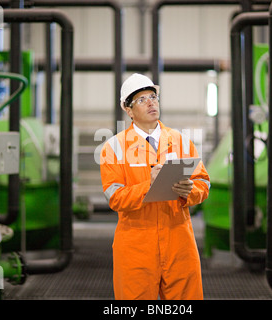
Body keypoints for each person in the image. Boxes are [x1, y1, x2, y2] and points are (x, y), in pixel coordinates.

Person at [99, 73, 210, 300]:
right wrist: (148, 185)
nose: (151, 102)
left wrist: (189, 191)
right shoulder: (114, 148)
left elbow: (203, 182)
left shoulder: (180, 141)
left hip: (179, 242)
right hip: (136, 247)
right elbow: (115, 197)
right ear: (128, 110)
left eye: (153, 97)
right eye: (141, 99)